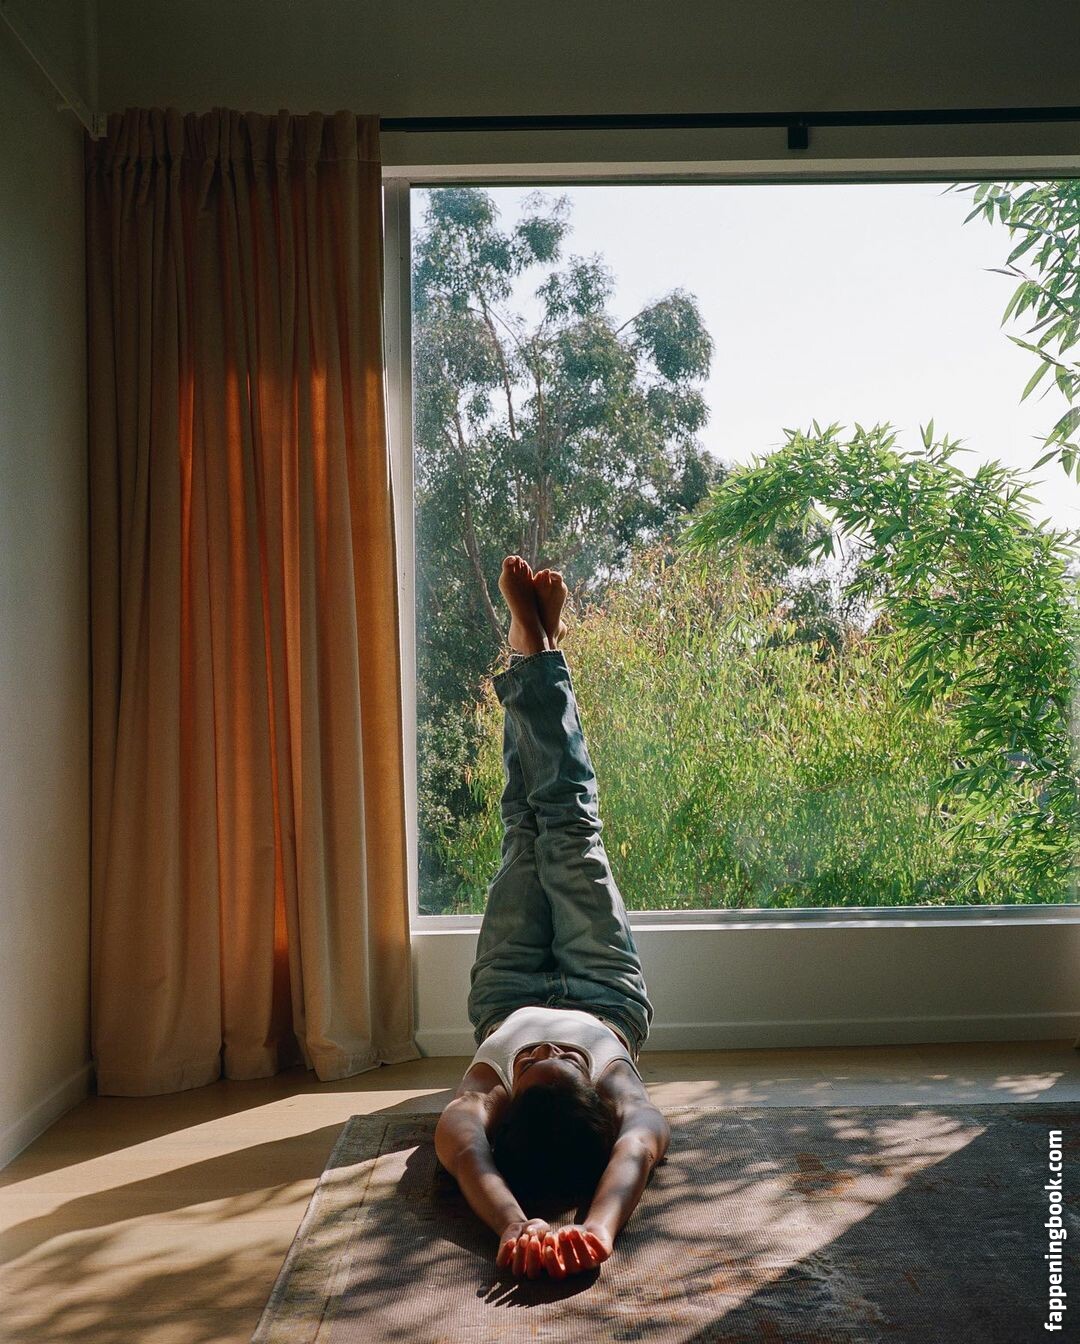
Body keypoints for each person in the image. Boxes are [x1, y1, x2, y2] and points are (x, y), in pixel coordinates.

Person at [433, 555, 670, 1281]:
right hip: (603, 989)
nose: (545, 1049)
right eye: (562, 1062)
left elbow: (461, 1147)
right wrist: (599, 1227)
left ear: (507, 1098)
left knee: (522, 828)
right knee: (566, 824)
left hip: (505, 990)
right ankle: (537, 651)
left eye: (530, 1063)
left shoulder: (487, 1092)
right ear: (596, 1093)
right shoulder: (614, 1086)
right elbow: (641, 1140)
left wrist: (513, 1222)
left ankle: (532, 650)